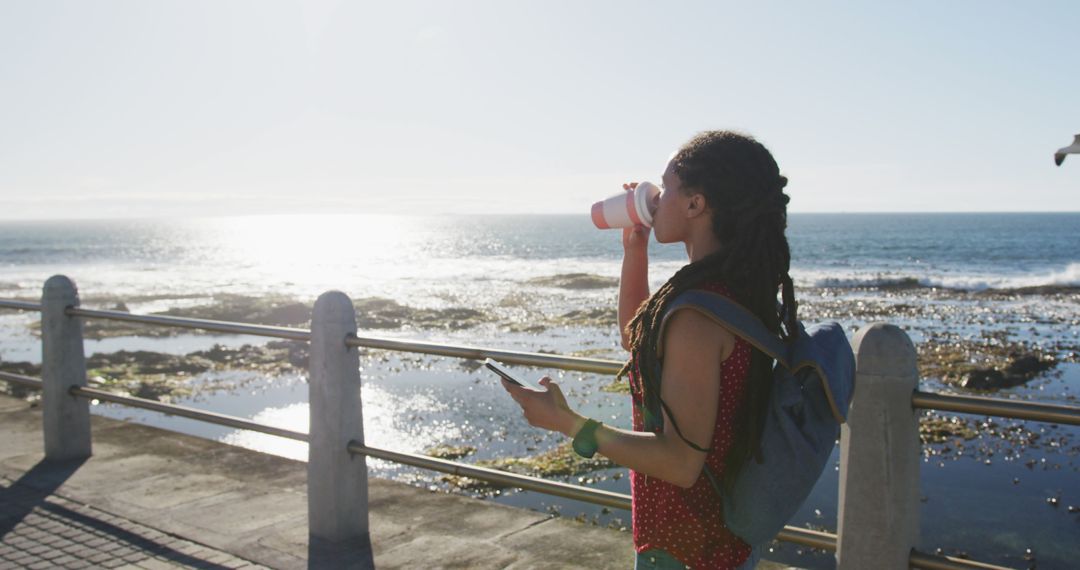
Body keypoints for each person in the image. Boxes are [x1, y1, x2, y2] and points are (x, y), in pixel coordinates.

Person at [501, 130, 796, 570]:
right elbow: (638, 342)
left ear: (696, 204)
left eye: (666, 187)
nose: (654, 199)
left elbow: (679, 463)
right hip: (719, 540)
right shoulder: (732, 290)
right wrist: (634, 248)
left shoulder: (697, 316)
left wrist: (566, 422)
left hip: (687, 550)